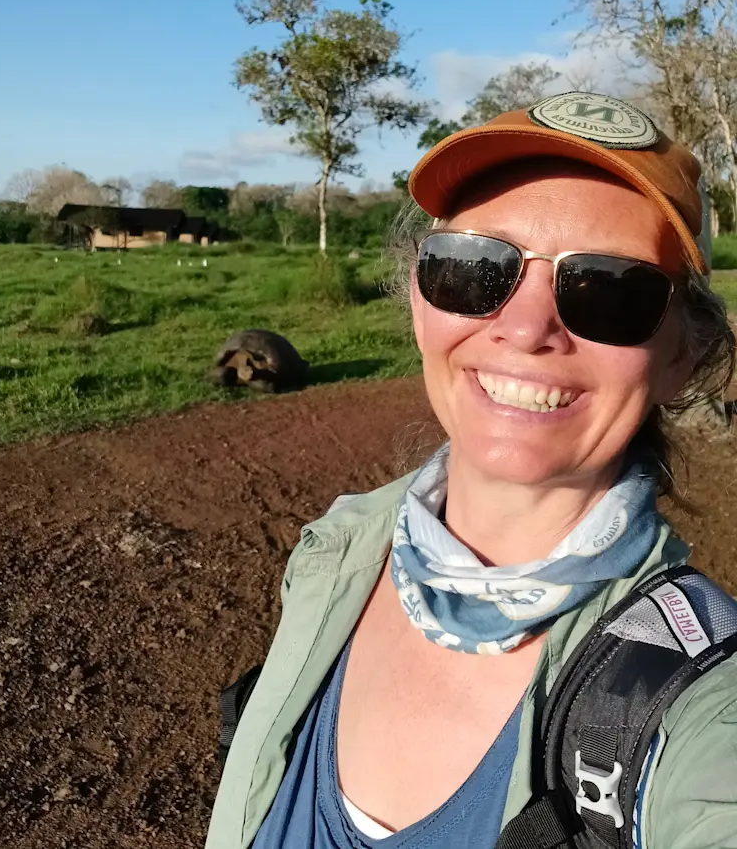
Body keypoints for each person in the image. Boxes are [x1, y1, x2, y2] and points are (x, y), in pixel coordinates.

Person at [206, 92, 737, 849]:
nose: (525, 328)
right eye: (474, 268)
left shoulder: (696, 709)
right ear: (423, 304)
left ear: (682, 355)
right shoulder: (336, 554)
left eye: (611, 291)